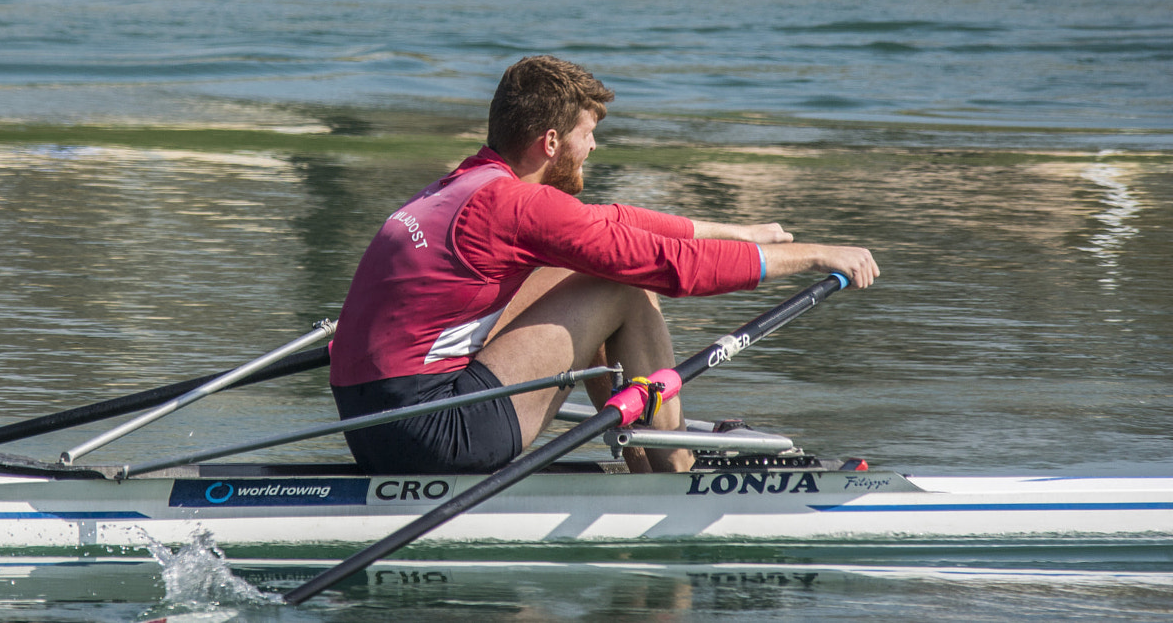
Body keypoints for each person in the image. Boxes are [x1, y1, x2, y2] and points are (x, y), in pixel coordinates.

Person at [329, 55, 879, 475]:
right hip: (433, 434)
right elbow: (675, 270)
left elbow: (607, 221)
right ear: (551, 142)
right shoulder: (520, 206)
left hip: (371, 421)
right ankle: (673, 473)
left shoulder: (468, 182)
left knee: (579, 267)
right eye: (587, 135)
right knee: (625, 286)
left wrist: (735, 231)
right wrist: (814, 254)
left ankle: (642, 459)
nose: (592, 149)